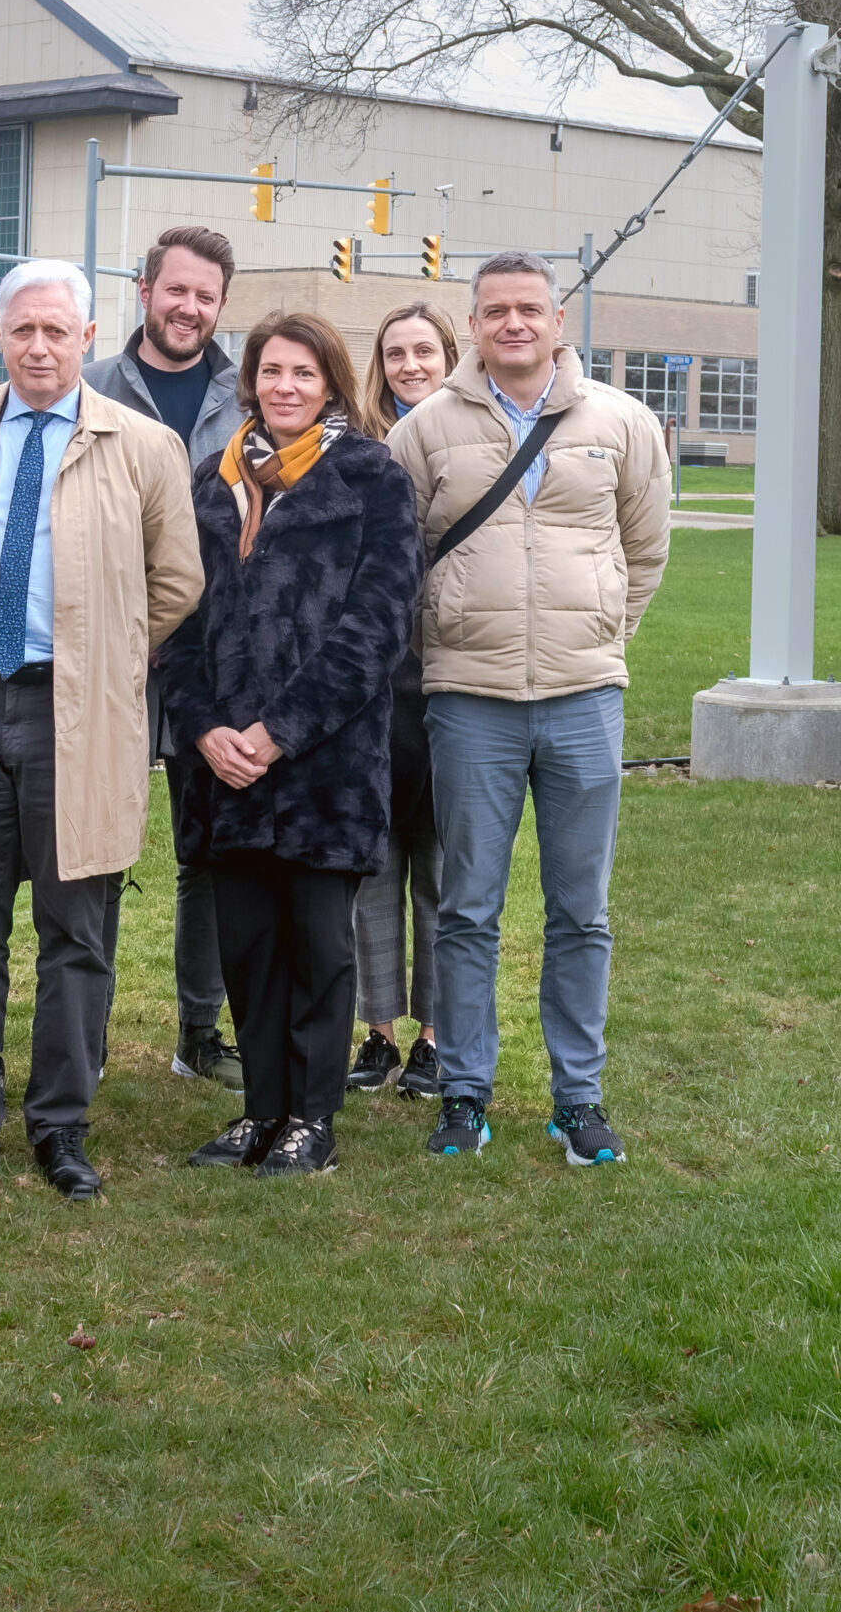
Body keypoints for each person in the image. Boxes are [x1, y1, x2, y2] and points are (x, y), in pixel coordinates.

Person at [0, 261, 201, 1202]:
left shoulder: (143, 446)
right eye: (23, 329)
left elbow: (177, 581)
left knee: (76, 930)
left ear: (87, 337)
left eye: (58, 330)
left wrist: (104, 652)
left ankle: (61, 1124)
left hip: (80, 710)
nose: (40, 346)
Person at [387, 254, 669, 1165]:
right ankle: (464, 1092)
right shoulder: (425, 429)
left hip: (585, 699)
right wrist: (447, 639)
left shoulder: (621, 421)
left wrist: (601, 632)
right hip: (469, 702)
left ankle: (577, 1098)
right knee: (467, 908)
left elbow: (645, 548)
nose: (514, 322)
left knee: (581, 910)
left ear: (557, 320)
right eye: (496, 309)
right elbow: (396, 559)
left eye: (530, 308)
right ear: (473, 323)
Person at [159, 313, 422, 1178]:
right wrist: (205, 728)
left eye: (304, 373)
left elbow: (376, 628)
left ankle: (312, 1116)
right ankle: (260, 1109)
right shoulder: (214, 482)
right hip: (224, 766)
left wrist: (279, 733)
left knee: (317, 944)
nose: (285, 387)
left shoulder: (371, 477)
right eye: (272, 371)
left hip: (325, 765)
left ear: (332, 384)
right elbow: (175, 621)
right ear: (251, 380)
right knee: (248, 944)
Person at [83, 226, 246, 1092]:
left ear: (221, 306)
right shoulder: (88, 386)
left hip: (213, 663)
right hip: (106, 655)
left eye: (205, 296)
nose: (188, 308)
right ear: (144, 290)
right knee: (99, 850)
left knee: (208, 854)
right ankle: (87, 1033)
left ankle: (200, 1031)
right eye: (175, 290)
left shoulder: (247, 396)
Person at [345, 301, 463, 1098]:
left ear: (450, 357)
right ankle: (379, 1032)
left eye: (425, 351)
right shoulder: (359, 449)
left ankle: (434, 1038)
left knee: (444, 872)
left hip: (452, 679)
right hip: (376, 687)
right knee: (373, 868)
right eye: (396, 353)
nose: (410, 365)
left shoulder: (474, 440)